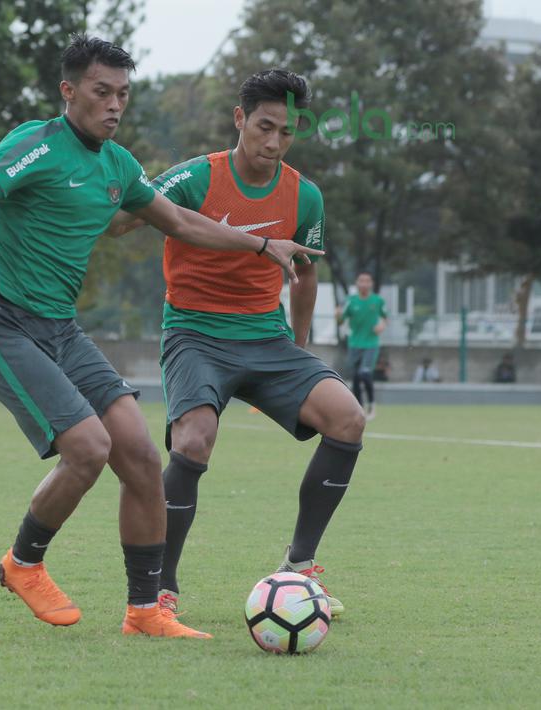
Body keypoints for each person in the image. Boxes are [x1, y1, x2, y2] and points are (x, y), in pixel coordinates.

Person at [0, 36, 321, 639]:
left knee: (138, 451)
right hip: (0, 320)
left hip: (60, 328)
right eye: (101, 91)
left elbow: (183, 222)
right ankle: (23, 562)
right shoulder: (37, 145)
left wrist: (264, 244)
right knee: (88, 447)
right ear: (70, 91)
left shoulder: (118, 165)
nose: (114, 105)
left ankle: (144, 611)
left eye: (123, 94)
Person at [109, 69, 365, 625]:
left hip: (266, 339)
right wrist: (109, 202)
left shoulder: (306, 196)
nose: (273, 143)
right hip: (194, 334)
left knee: (348, 418)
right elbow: (122, 220)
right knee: (194, 439)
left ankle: (299, 565)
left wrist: (299, 350)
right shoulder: (195, 178)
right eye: (265, 127)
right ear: (240, 119)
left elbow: (305, 273)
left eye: (287, 133)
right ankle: (161, 586)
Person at [337, 271, 388, 418]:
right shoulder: (351, 301)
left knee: (364, 373)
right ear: (357, 284)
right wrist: (337, 315)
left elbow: (385, 318)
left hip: (371, 344)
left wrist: (382, 326)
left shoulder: (377, 301)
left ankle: (371, 404)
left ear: (371, 284)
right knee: (355, 378)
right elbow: (341, 321)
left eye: (367, 281)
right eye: (361, 281)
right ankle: (359, 409)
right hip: (354, 344)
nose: (364, 284)